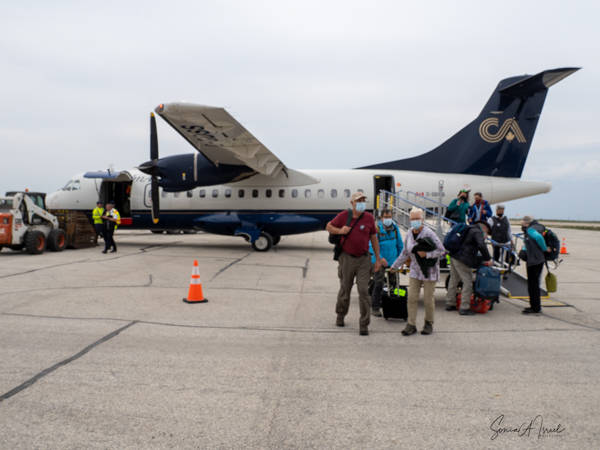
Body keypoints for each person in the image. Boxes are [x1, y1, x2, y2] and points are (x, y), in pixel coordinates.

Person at [327, 192, 382, 336]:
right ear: (352, 203)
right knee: (345, 290)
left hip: (364, 259)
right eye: (358, 201)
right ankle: (340, 315)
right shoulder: (344, 216)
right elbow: (329, 227)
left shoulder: (369, 218)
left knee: (363, 290)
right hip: (347, 258)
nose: (361, 203)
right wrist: (340, 230)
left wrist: (377, 259)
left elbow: (374, 239)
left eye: (363, 200)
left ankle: (364, 324)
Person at [389, 208, 445, 335]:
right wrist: (395, 266)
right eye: (413, 219)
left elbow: (441, 250)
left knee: (428, 299)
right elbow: (405, 252)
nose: (415, 221)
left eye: (417, 219)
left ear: (422, 219)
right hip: (415, 270)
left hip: (429, 271)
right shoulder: (409, 233)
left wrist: (427, 254)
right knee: (412, 298)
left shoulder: (429, 233)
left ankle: (428, 323)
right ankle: (411, 324)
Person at [445, 220, 493, 315]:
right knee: (467, 282)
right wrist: (488, 258)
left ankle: (450, 303)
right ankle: (464, 307)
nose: (486, 235)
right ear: (484, 228)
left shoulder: (469, 228)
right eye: (487, 233)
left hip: (454, 256)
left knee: (453, 280)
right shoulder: (477, 231)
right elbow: (481, 245)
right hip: (462, 259)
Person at [368, 209, 403, 318]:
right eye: (386, 217)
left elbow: (400, 245)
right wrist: (380, 258)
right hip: (379, 262)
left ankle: (392, 306)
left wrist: (400, 260)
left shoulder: (395, 229)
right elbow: (371, 246)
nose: (388, 219)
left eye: (390, 217)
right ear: (381, 218)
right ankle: (375, 308)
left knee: (394, 284)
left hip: (393, 262)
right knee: (378, 284)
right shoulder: (376, 230)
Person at [520, 215, 550, 316]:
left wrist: (545, 248)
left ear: (527, 223)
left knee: (533, 285)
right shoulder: (539, 227)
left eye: (522, 223)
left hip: (534, 260)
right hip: (539, 259)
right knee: (534, 284)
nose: (522, 226)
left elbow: (538, 237)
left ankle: (535, 308)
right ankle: (535, 306)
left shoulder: (530, 230)